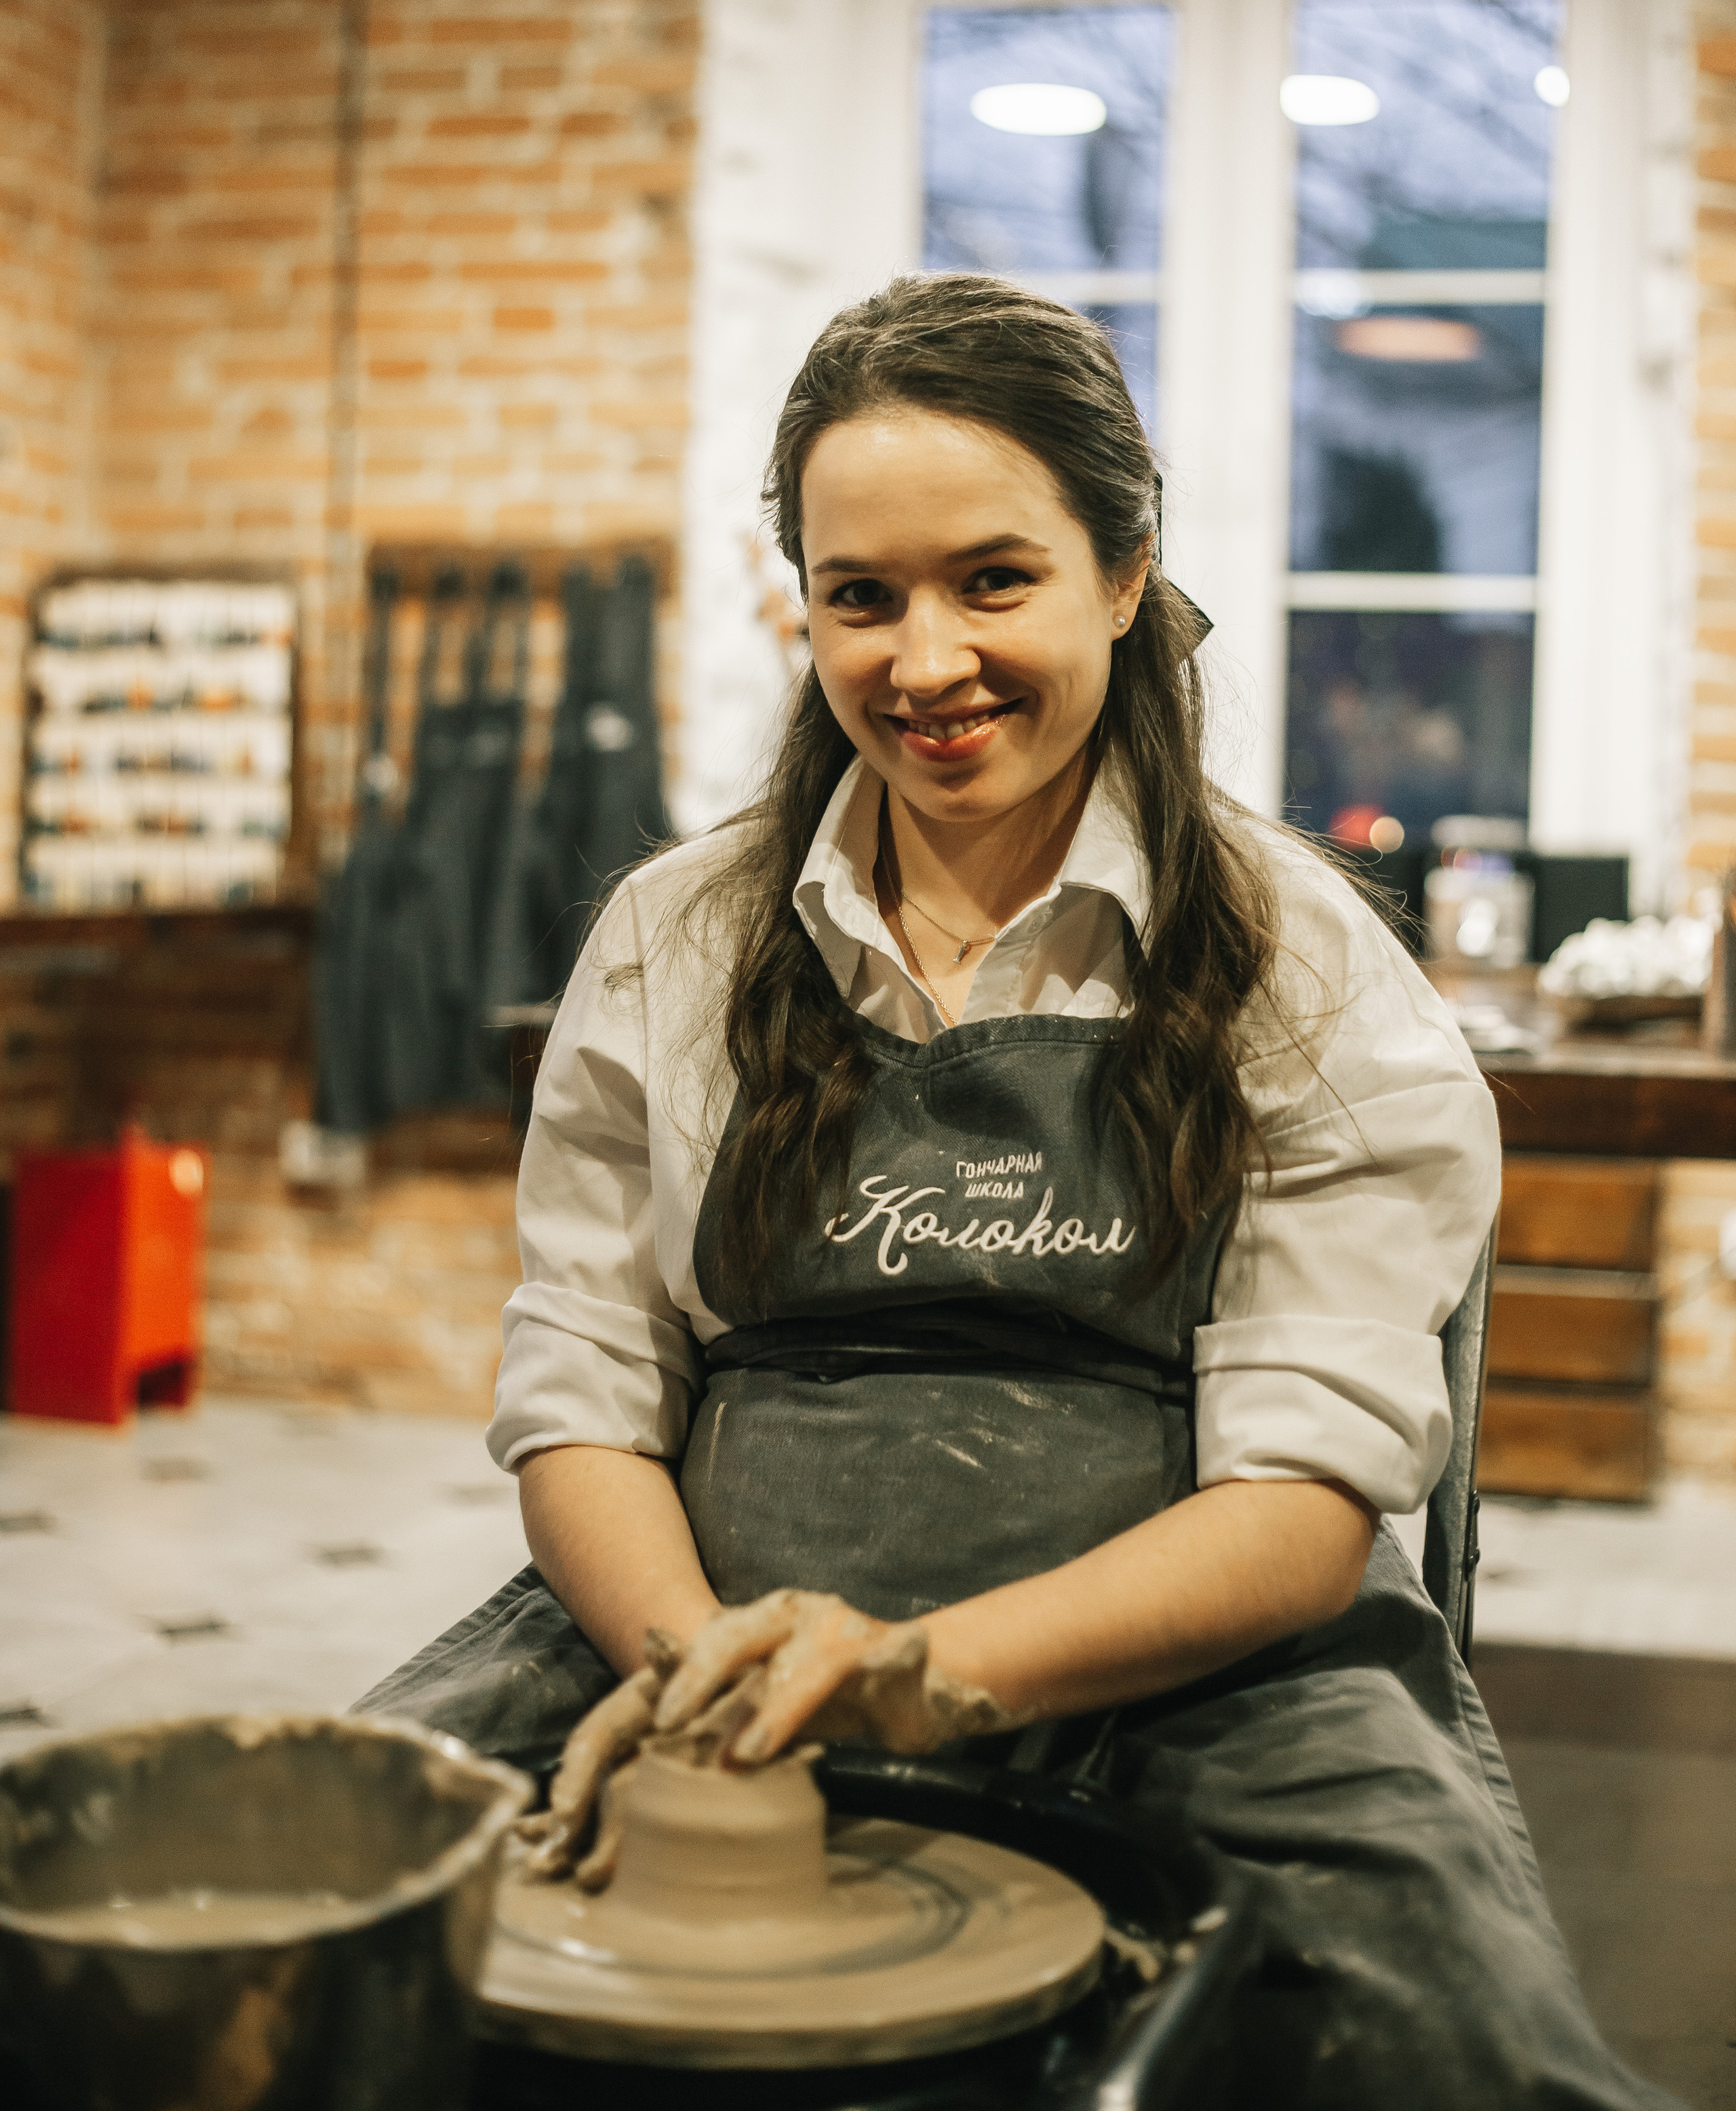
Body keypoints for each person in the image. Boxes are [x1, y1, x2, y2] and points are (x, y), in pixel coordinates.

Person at [359, 273, 1675, 2108]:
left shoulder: (1298, 967)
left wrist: (914, 1672)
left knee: (1443, 2043)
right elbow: (585, 1393)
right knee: (322, 1945)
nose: (924, 662)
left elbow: (1300, 1508)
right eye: (859, 595)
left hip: (1201, 1670)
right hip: (705, 1632)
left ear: (1124, 576)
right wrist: (695, 1676)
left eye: (995, 580)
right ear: (802, 605)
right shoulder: (678, 943)